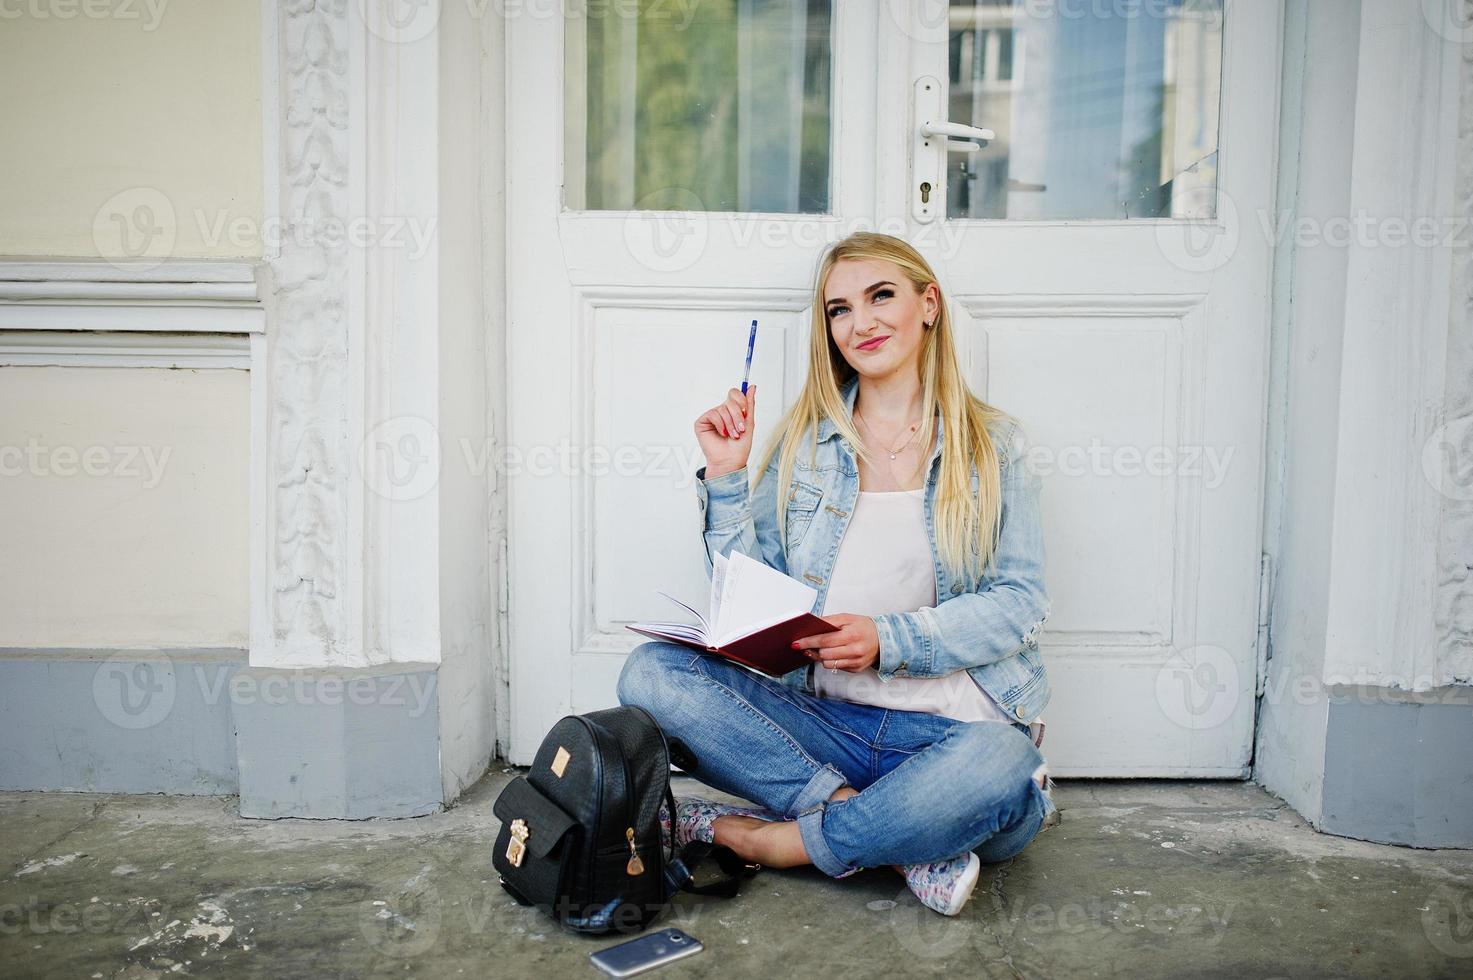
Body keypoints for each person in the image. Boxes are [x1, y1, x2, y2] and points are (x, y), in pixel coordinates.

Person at [617, 231, 1057, 917]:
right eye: (839, 309)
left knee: (1007, 767)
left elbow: (1020, 602)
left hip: (953, 740)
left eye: (881, 295)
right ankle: (895, 836)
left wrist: (890, 640)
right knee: (649, 674)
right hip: (832, 727)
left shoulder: (992, 446)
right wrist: (727, 476)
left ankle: (770, 842)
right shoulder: (801, 447)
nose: (862, 322)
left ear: (928, 304)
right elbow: (752, 601)